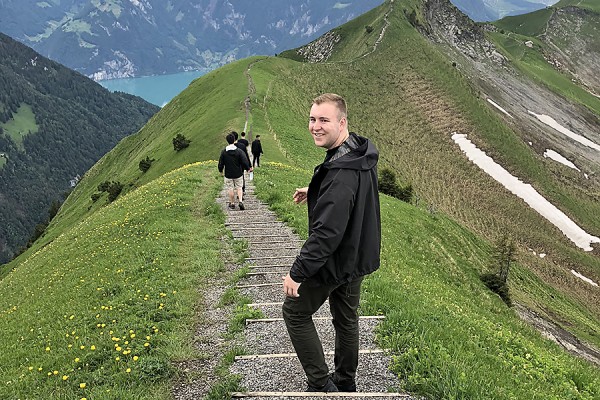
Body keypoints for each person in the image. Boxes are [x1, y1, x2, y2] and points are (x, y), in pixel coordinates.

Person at [282, 93, 381, 392]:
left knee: (295, 312)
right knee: (347, 319)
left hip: (335, 261)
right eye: (312, 119)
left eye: (324, 120)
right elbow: (345, 195)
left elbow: (326, 235)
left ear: (342, 122)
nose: (315, 126)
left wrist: (297, 272)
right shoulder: (359, 151)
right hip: (358, 255)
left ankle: (320, 383)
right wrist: (315, 188)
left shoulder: (340, 177)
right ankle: (346, 381)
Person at [218, 132, 252, 210]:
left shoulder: (224, 152)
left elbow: (221, 163)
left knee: (230, 188)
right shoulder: (239, 151)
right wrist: (247, 168)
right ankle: (240, 201)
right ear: (234, 140)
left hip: (228, 173)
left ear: (227, 141)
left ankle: (232, 203)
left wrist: (220, 170)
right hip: (238, 173)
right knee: (239, 188)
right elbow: (244, 160)